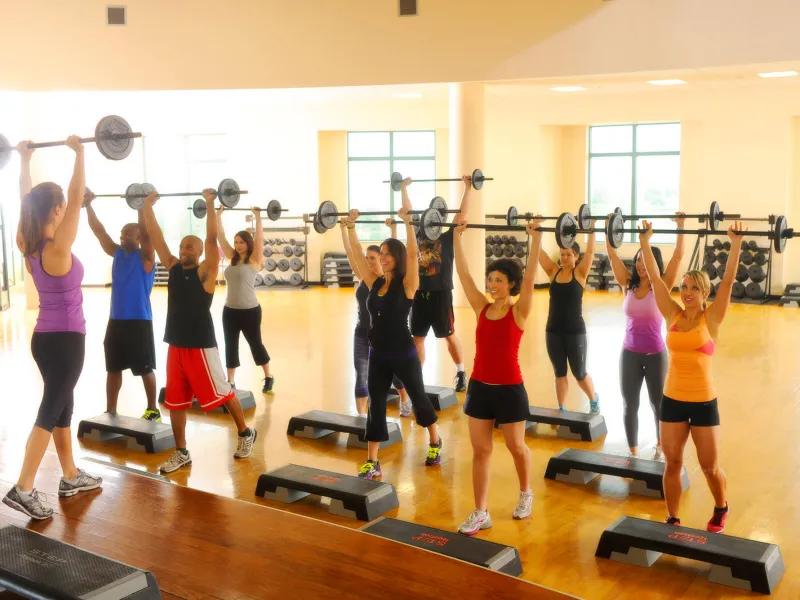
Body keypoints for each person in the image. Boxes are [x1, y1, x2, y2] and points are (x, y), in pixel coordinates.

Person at [3, 138, 102, 520]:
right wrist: (80, 153)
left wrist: (24, 161)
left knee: (62, 406)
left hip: (43, 340)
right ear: (57, 209)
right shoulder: (57, 248)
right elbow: (76, 197)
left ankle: (71, 475)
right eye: (64, 207)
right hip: (67, 342)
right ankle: (24, 487)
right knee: (50, 411)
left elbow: (25, 199)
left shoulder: (27, 243)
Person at [142, 189, 257, 474]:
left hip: (201, 346)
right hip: (176, 345)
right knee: (176, 401)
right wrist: (147, 207)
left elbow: (211, 238)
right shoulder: (173, 267)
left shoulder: (206, 272)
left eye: (190, 248)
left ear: (200, 252)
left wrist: (209, 204)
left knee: (222, 392)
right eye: (183, 247)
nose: (184, 251)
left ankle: (245, 433)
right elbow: (156, 237)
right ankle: (181, 452)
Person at [639, 220, 742, 532]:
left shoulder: (712, 319)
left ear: (705, 292)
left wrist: (735, 243)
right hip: (672, 399)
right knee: (672, 463)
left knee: (710, 467)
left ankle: (721, 507)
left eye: (694, 288)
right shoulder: (673, 314)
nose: (686, 293)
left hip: (703, 402)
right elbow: (655, 278)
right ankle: (672, 517)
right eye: (683, 287)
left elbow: (728, 282)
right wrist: (645, 241)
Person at [345, 178, 441, 480]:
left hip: (403, 353)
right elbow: (358, 255)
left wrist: (409, 224)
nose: (383, 257)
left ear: (396, 258)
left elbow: (412, 254)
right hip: (378, 354)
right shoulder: (374, 283)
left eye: (387, 253)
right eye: (382, 253)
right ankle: (372, 461)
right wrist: (350, 227)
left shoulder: (408, 284)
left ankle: (435, 441)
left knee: (418, 397)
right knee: (376, 404)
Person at [454, 217, 544, 536]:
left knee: (516, 446)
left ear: (511, 285)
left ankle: (526, 493)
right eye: (490, 279)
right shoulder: (482, 307)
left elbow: (530, 277)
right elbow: (464, 275)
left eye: (499, 280)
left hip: (509, 389)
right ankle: (481, 512)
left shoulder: (518, 312)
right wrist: (456, 237)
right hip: (480, 387)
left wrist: (535, 239)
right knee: (481, 451)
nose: (492, 284)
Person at [606, 213, 686, 460]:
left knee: (657, 403)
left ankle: (661, 446)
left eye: (645, 259)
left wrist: (681, 226)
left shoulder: (662, 286)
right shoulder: (627, 284)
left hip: (655, 355)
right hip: (629, 353)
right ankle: (633, 452)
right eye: (638, 259)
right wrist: (609, 228)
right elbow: (612, 255)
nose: (641, 264)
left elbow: (678, 256)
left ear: (653, 262)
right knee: (630, 403)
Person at [84, 191, 158, 420]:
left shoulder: (146, 257)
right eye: (122, 233)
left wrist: (141, 207)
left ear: (138, 237)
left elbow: (147, 234)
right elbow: (99, 232)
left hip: (139, 321)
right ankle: (111, 411)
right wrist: (88, 206)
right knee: (113, 368)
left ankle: (152, 410)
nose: (123, 236)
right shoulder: (117, 253)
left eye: (128, 234)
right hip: (116, 321)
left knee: (145, 368)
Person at [339, 218, 411, 417]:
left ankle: (404, 398)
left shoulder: (386, 281)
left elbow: (397, 253)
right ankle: (362, 418)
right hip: (362, 332)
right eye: (367, 258)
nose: (369, 261)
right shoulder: (364, 276)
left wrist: (394, 229)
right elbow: (351, 252)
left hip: (384, 335)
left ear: (382, 259)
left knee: (395, 375)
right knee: (361, 373)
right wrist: (344, 228)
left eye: (373, 257)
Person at [412, 175, 472, 392]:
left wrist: (468, 188)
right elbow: (407, 213)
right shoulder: (417, 235)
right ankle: (416, 377)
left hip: (441, 293)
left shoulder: (448, 237)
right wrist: (404, 190)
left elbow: (461, 215)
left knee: (448, 336)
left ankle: (461, 372)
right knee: (417, 337)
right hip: (419, 293)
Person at [537, 224, 600, 413]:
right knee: (559, 372)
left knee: (579, 373)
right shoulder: (553, 271)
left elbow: (590, 251)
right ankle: (562, 407)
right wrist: (536, 232)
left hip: (575, 331)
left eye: (569, 254)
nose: (564, 257)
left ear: (576, 257)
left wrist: (592, 229)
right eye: (562, 254)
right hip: (553, 330)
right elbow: (538, 253)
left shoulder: (580, 273)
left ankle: (593, 399)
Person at [216, 206, 274, 393]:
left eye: (241, 242)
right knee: (230, 345)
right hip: (229, 311)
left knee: (255, 344)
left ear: (248, 243)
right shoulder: (231, 257)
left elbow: (259, 239)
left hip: (250, 311)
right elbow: (220, 236)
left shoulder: (255, 260)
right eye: (236, 242)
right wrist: (218, 215)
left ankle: (268, 376)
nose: (238, 245)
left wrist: (258, 217)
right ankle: (231, 381)